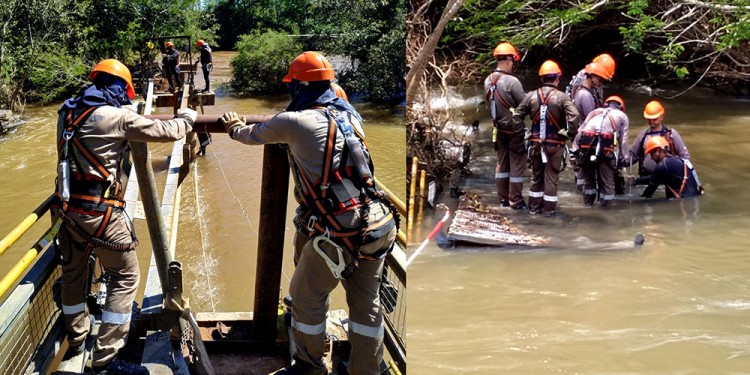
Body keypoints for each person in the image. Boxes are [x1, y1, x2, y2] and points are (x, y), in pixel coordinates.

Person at [220, 51, 397, 375]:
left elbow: (251, 135)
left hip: (340, 228)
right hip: (377, 220)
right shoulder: (349, 114)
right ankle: (367, 370)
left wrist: (233, 127)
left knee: (305, 297)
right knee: (366, 303)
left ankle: (309, 367)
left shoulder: (294, 121)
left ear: (298, 86)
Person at [52, 59, 196, 374]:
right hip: (100, 215)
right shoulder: (116, 116)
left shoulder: (67, 111)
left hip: (67, 212)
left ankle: (78, 337)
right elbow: (168, 131)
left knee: (73, 276)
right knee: (125, 276)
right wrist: (187, 115)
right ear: (120, 89)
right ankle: (105, 360)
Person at [512, 60, 579, 216]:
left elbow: (516, 115)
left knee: (536, 178)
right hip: (555, 145)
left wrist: (522, 133)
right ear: (557, 78)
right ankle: (548, 212)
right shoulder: (562, 98)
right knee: (551, 178)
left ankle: (534, 210)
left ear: (542, 78)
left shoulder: (530, 96)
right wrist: (570, 134)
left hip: (535, 144)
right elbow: (574, 116)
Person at [484, 42, 528, 210]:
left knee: (502, 164)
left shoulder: (488, 80)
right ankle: (515, 200)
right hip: (514, 130)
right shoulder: (512, 82)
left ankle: (502, 198)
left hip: (498, 128)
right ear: (509, 60)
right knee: (517, 164)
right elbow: (524, 105)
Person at [573, 96, 629, 207]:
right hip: (605, 149)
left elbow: (581, 131)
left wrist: (574, 151)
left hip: (586, 146)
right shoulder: (622, 116)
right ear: (621, 107)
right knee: (607, 182)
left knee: (589, 180)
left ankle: (588, 206)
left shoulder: (594, 112)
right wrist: (623, 160)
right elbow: (623, 141)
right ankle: (606, 209)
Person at [628, 100, 690, 177]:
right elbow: (632, 156)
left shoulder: (671, 134)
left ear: (661, 117)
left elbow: (684, 157)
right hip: (646, 177)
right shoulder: (643, 135)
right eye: (649, 119)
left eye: (654, 119)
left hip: (667, 179)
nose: (651, 121)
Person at [628, 136, 703, 199]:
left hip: (683, 202)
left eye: (651, 154)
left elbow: (648, 193)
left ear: (658, 151)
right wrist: (637, 181)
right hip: (693, 198)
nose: (651, 157)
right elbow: (655, 178)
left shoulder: (662, 166)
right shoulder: (675, 160)